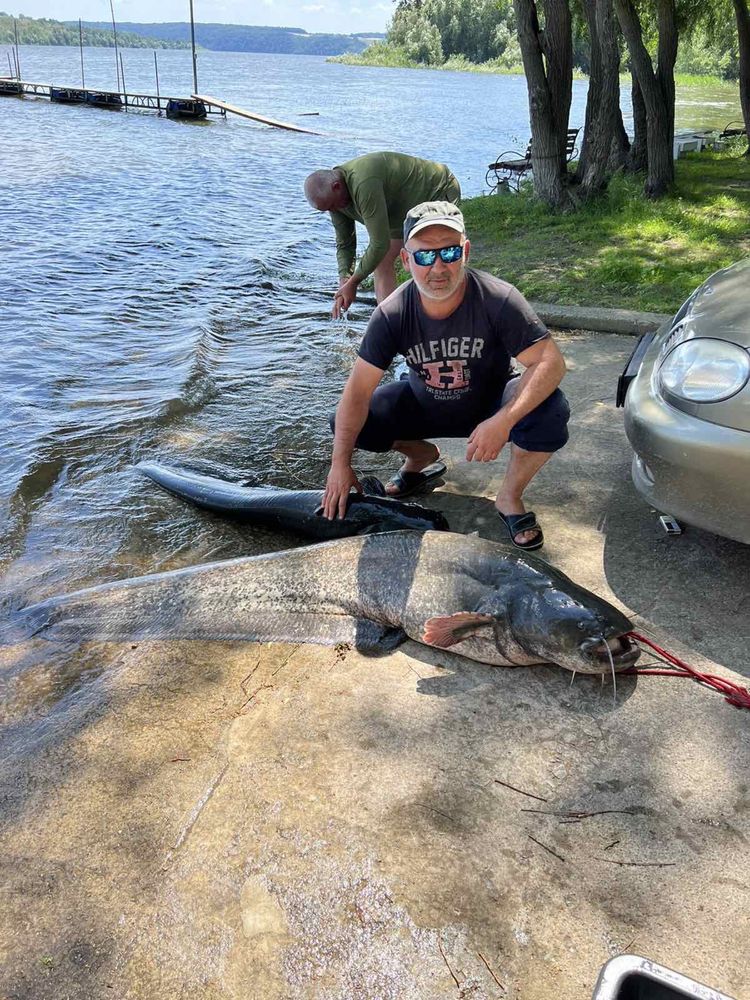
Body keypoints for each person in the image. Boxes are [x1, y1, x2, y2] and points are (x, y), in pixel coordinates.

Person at [321, 201, 570, 550]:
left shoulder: (498, 298)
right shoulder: (393, 312)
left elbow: (550, 362)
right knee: (345, 423)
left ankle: (510, 497)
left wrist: (503, 421)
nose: (438, 267)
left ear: (465, 252)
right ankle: (420, 456)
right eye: (424, 256)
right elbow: (357, 393)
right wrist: (339, 465)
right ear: (406, 260)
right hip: (425, 404)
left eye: (449, 252)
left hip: (490, 404)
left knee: (551, 409)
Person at [304, 151, 461, 318]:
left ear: (337, 186)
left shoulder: (364, 183)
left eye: (333, 205)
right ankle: (389, 323)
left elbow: (380, 243)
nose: (334, 210)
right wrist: (345, 279)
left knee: (427, 255)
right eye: (329, 209)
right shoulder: (334, 200)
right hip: (401, 209)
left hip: (435, 192)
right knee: (382, 262)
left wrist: (355, 282)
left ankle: (444, 317)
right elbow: (345, 243)